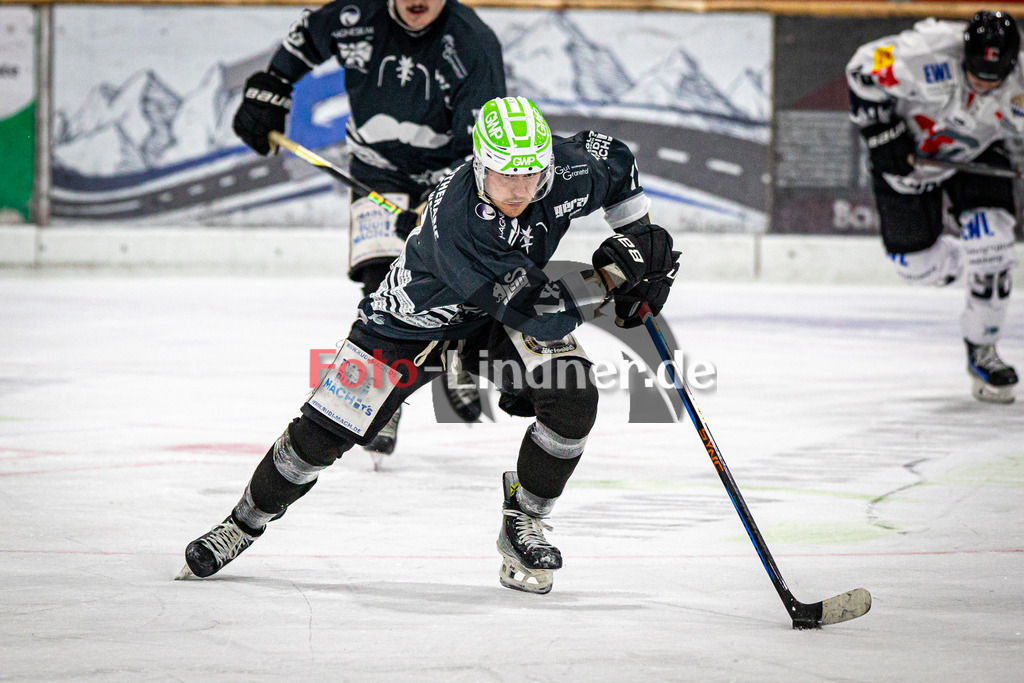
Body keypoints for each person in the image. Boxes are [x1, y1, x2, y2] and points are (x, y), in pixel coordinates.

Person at [178, 96, 680, 594]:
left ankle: (524, 519)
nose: (519, 190)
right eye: (505, 176)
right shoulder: (460, 223)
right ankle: (242, 523)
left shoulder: (569, 170)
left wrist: (642, 243)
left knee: (572, 393)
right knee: (320, 436)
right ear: (479, 165)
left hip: (490, 317)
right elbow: (541, 315)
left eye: (531, 175)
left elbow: (617, 162)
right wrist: (618, 271)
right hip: (409, 322)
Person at [232, 0, 506, 460]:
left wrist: (436, 205)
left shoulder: (474, 43)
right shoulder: (353, 14)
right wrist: (272, 85)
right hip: (375, 168)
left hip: (450, 172)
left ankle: (455, 350)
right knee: (381, 278)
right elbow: (305, 36)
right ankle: (388, 397)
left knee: (447, 276)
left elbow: (480, 145)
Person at [847, 11, 1021, 403]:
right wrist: (881, 133)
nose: (985, 82)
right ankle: (977, 262)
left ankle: (983, 348)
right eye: (978, 71)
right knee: (916, 267)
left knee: (992, 240)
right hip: (911, 156)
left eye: (996, 76)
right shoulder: (923, 53)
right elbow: (861, 68)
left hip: (978, 149)